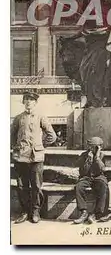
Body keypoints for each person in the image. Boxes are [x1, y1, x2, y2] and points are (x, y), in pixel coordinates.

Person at [11, 91, 56, 224]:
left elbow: (52, 135)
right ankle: (25, 212)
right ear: (24, 102)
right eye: (26, 100)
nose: (28, 102)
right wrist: (16, 147)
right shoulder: (18, 118)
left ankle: (36, 211)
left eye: (31, 100)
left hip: (36, 157)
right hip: (21, 157)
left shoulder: (41, 117)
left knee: (36, 186)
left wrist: (41, 146)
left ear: (35, 103)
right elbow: (11, 135)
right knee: (22, 186)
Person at [74, 137, 108, 224]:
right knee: (79, 186)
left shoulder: (102, 155)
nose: (92, 149)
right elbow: (83, 171)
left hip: (98, 177)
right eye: (91, 146)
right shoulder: (84, 155)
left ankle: (96, 213)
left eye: (95, 147)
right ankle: (84, 212)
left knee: (103, 186)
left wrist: (97, 158)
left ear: (100, 147)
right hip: (86, 177)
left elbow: (103, 169)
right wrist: (88, 160)